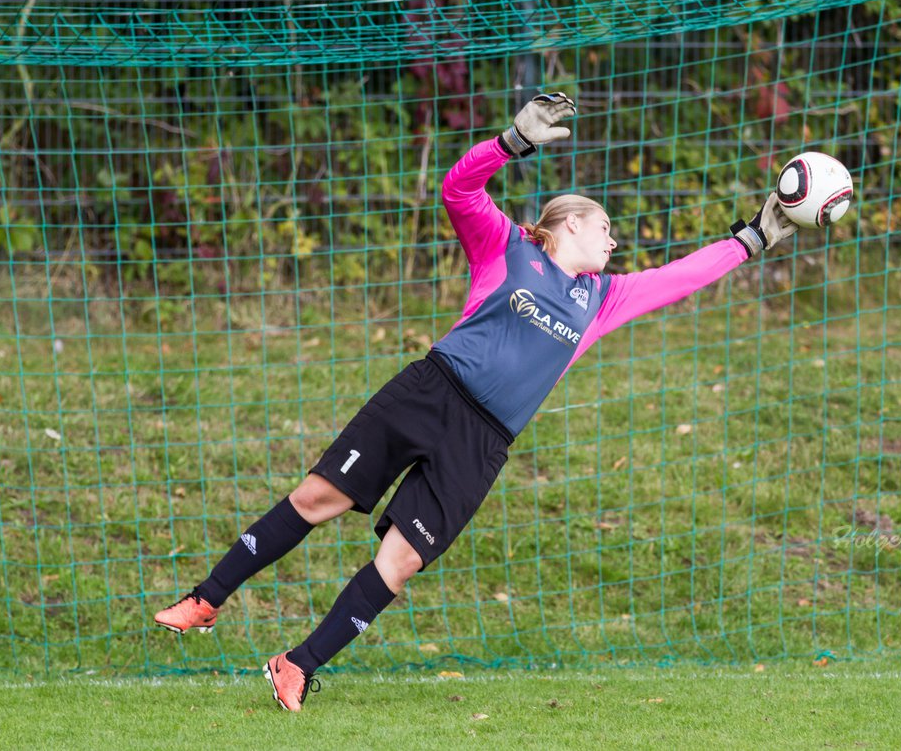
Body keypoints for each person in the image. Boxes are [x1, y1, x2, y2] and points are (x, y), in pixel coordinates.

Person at [153, 92, 797, 711]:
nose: (614, 242)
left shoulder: (602, 299)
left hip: (483, 443)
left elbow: (678, 277)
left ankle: (297, 665)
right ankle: (207, 598)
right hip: (428, 394)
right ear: (570, 221)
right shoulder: (506, 246)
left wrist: (751, 241)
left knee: (400, 563)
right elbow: (458, 190)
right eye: (606, 228)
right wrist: (510, 143)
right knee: (316, 499)